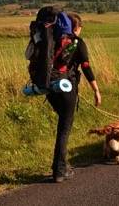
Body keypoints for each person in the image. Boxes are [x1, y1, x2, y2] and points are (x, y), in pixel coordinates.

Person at [46, 12, 102, 183]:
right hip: (66, 89)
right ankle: (60, 170)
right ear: (77, 27)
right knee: (64, 128)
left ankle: (60, 165)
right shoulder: (77, 43)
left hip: (50, 88)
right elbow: (86, 67)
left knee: (62, 125)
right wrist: (96, 91)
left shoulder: (53, 42)